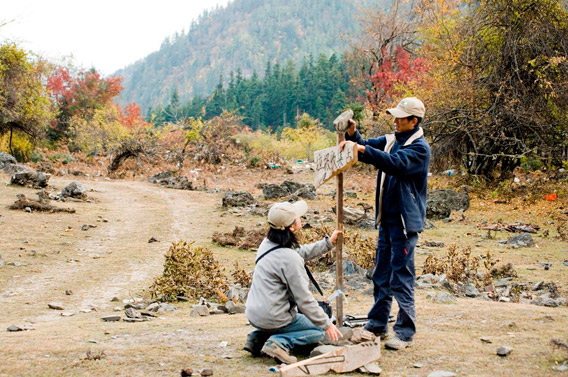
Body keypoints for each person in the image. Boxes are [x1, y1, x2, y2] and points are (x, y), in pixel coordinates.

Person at [339, 97, 430, 350]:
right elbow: (366, 147)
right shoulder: (391, 140)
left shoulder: (420, 148)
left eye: (401, 117)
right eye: (395, 116)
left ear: (414, 121)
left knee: (401, 276)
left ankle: (405, 332)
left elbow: (395, 164)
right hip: (386, 221)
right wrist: (353, 134)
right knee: (381, 274)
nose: (395, 121)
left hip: (403, 223)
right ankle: (377, 323)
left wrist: (365, 151)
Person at [244, 200, 343, 364]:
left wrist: (328, 243)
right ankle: (278, 343)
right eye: (297, 217)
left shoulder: (267, 243)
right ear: (291, 227)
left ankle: (257, 338)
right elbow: (304, 300)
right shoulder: (290, 259)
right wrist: (327, 324)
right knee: (319, 330)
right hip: (276, 317)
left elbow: (299, 252)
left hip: (254, 314)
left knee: (305, 321)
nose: (300, 218)